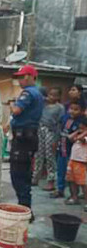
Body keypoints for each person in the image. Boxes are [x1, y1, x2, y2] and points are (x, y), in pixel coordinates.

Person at [9, 65, 44, 221]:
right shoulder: (38, 93)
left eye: (22, 77)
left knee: (18, 175)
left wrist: (12, 105)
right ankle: (25, 209)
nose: (20, 80)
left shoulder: (29, 93)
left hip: (23, 140)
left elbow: (16, 111)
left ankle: (26, 212)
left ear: (30, 77)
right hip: (28, 139)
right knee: (23, 174)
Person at [32, 87, 65, 190]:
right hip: (40, 130)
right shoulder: (43, 105)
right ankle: (35, 177)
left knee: (50, 156)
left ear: (59, 97)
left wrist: (56, 139)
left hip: (51, 132)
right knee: (39, 154)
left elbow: (60, 124)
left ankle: (51, 181)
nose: (52, 97)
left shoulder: (60, 108)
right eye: (50, 94)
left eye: (55, 95)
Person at [51, 101, 84, 199]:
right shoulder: (64, 118)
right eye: (71, 109)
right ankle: (60, 190)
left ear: (81, 111)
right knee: (61, 171)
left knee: (73, 175)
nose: (72, 111)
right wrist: (55, 142)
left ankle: (76, 194)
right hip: (62, 150)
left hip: (74, 153)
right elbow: (59, 131)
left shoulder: (81, 122)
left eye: (76, 109)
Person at [64, 116, 87, 210]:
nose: (80, 130)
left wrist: (84, 132)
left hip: (82, 162)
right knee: (71, 180)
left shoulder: (84, 137)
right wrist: (77, 131)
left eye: (83, 128)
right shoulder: (78, 135)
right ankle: (74, 197)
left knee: (83, 183)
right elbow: (70, 137)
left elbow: (81, 139)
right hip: (73, 160)